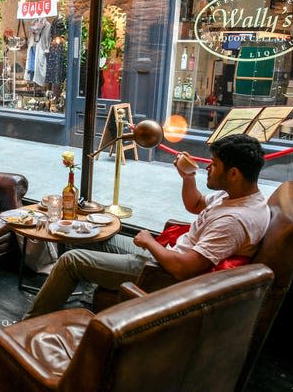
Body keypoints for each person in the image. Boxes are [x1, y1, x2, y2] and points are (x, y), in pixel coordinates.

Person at [24, 133, 270, 319]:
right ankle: (90, 301)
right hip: (168, 254)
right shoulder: (236, 196)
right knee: (97, 233)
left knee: (71, 260)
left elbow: (184, 270)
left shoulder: (234, 221)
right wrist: (189, 177)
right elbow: (195, 204)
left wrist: (150, 242)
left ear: (234, 173)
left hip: (163, 273)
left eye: (214, 164)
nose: (208, 167)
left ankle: (26, 324)